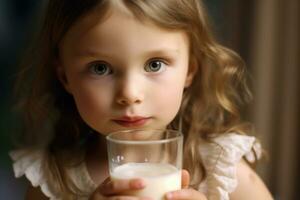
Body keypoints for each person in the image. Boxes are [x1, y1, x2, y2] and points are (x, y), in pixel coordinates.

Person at [10, 0, 274, 199]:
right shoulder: (53, 181)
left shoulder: (220, 172)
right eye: (100, 68)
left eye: (155, 64)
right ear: (65, 76)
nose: (129, 94)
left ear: (190, 70)